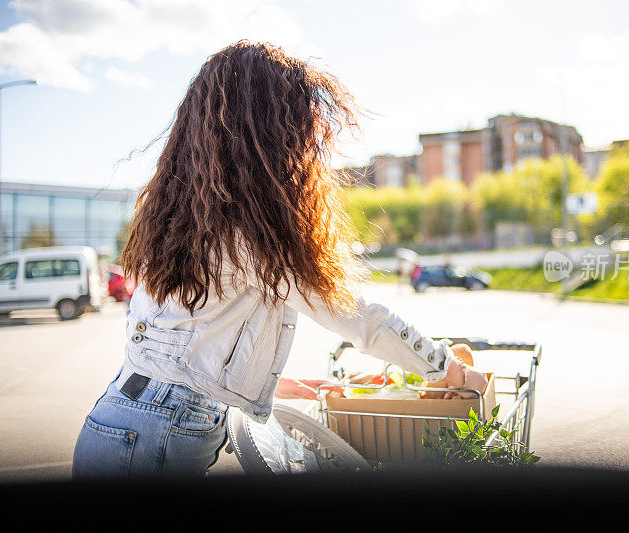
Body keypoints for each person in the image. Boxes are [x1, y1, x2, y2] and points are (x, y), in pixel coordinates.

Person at [72, 41, 489, 478]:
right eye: (297, 127)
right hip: (154, 434)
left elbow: (185, 334)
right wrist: (448, 369)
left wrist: (273, 386)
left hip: (126, 417)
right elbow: (354, 316)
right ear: (264, 132)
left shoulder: (187, 212)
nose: (305, 144)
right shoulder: (251, 228)